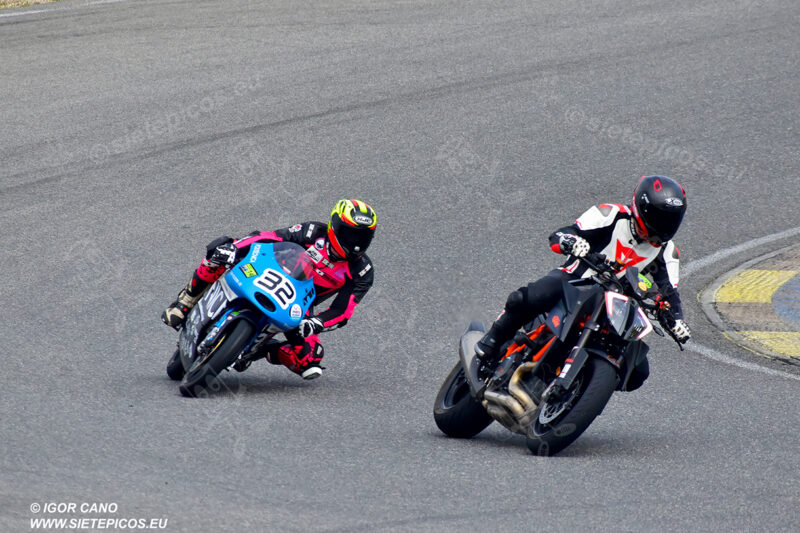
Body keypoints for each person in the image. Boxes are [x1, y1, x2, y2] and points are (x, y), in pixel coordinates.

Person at [475, 175, 691, 390]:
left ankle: (581, 388)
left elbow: (669, 292)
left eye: (671, 220)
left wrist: (677, 319)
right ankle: (491, 342)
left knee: (638, 372)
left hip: (616, 308)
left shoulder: (667, 251)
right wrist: (571, 241)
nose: (664, 226)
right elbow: (563, 233)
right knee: (525, 298)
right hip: (575, 280)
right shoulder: (612, 214)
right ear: (641, 208)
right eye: (659, 217)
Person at [162, 199, 377, 380]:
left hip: (297, 306)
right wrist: (235, 249)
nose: (356, 244)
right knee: (219, 249)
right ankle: (185, 301)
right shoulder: (313, 232)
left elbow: (342, 311)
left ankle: (260, 349)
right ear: (335, 227)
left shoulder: (362, 271)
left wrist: (316, 323)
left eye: (363, 237)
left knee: (310, 358)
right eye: (351, 235)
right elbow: (270, 237)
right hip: (267, 273)